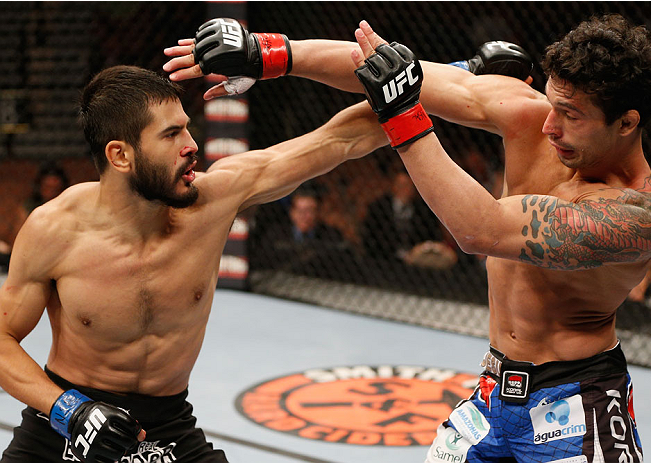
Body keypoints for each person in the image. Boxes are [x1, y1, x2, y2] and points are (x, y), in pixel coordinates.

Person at [163, 13, 651, 461]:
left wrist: (402, 112)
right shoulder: (534, 116)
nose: (550, 125)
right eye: (552, 103)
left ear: (627, 123)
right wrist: (269, 53)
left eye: (572, 116)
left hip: (577, 405)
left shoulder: (634, 215)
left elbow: (482, 229)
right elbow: (394, 70)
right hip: (493, 391)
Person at [0, 65, 385, 463]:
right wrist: (70, 410)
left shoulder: (212, 203)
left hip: (167, 428)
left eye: (185, 127)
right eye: (170, 134)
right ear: (120, 155)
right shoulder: (55, 230)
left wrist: (436, 81)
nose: (191, 144)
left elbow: (343, 137)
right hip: (62, 427)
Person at [252, 188, 349, 276]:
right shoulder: (276, 233)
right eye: (300, 211)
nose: (304, 216)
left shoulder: (331, 235)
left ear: (317, 212)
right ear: (292, 212)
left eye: (309, 211)